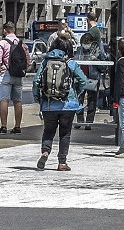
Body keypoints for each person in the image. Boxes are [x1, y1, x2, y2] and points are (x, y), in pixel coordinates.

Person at [33, 31, 87, 172]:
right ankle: (62, 162)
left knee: (49, 131)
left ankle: (45, 151)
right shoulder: (70, 63)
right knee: (65, 133)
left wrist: (39, 99)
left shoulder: (46, 62)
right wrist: (76, 94)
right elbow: (83, 81)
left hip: (48, 104)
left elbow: (36, 81)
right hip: (68, 105)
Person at [0, 23, 28, 135]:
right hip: (18, 75)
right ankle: (17, 126)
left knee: (4, 100)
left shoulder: (2, 43)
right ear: (14, 30)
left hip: (6, 74)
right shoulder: (21, 43)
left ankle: (4, 126)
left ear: (5, 31)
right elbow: (28, 60)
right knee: (18, 101)